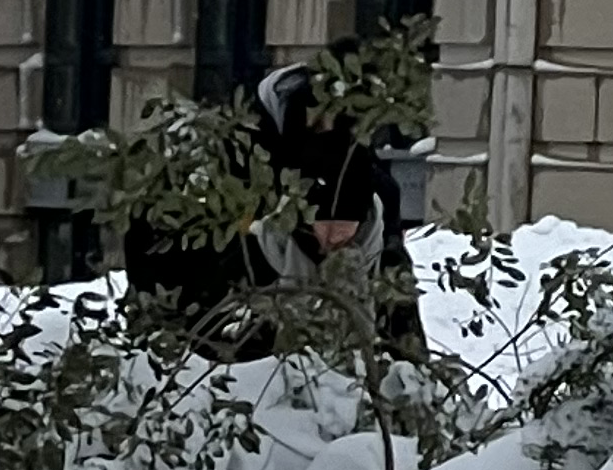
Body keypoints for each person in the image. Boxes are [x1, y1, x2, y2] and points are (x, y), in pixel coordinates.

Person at [122, 66, 428, 360]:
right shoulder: (232, 171)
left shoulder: (369, 185)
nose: (324, 132)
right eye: (315, 123)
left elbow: (399, 318)